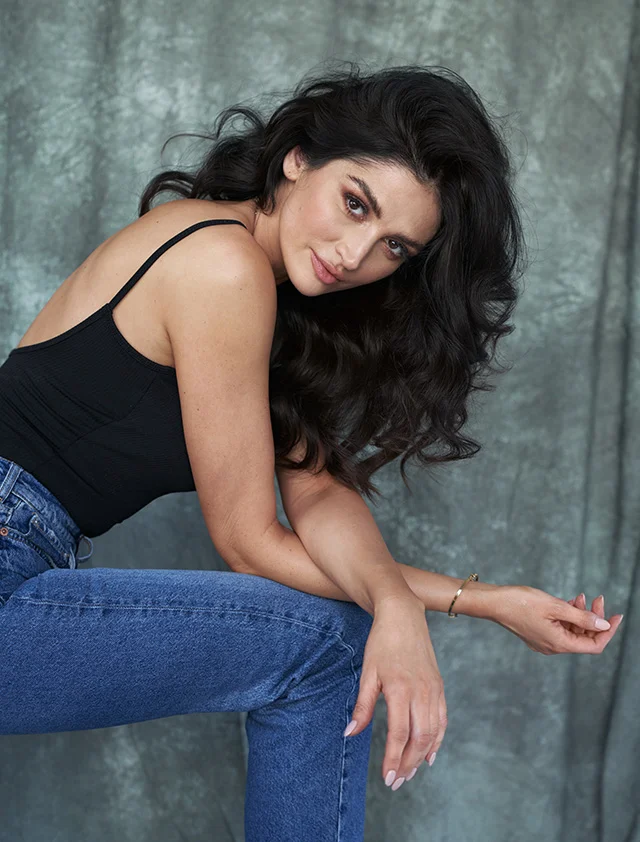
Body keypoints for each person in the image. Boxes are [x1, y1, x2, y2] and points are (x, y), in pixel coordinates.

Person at [0, 62, 622, 841]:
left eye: (394, 245)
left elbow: (323, 497)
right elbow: (248, 541)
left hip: (24, 553)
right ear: (297, 157)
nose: (357, 251)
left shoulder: (267, 304)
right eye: (354, 203)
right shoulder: (221, 265)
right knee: (329, 643)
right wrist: (392, 604)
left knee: (334, 632)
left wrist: (487, 599)